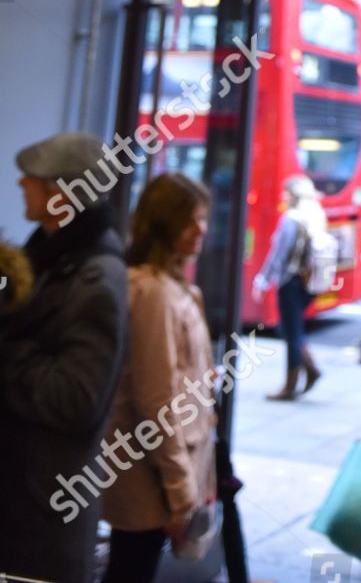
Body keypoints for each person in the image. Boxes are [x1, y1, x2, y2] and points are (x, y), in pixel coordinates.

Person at [0, 132, 128, 583]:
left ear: (62, 195)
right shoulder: (45, 258)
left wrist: (7, 353)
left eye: (33, 179)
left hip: (44, 510)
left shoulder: (96, 277)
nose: (21, 184)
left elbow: (76, 398)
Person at [101, 172, 217, 582]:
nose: (200, 229)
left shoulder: (173, 287)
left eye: (202, 218)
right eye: (189, 220)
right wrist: (181, 493)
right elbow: (157, 401)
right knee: (131, 569)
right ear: (163, 223)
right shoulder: (153, 292)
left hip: (163, 470)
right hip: (152, 477)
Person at [253, 173, 327, 399]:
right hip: (309, 284)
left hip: (291, 283)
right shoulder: (315, 214)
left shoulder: (291, 218)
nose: (283, 196)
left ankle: (290, 385)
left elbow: (279, 254)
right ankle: (311, 370)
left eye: (286, 192)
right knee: (290, 330)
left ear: (294, 195)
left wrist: (263, 279)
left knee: (292, 332)